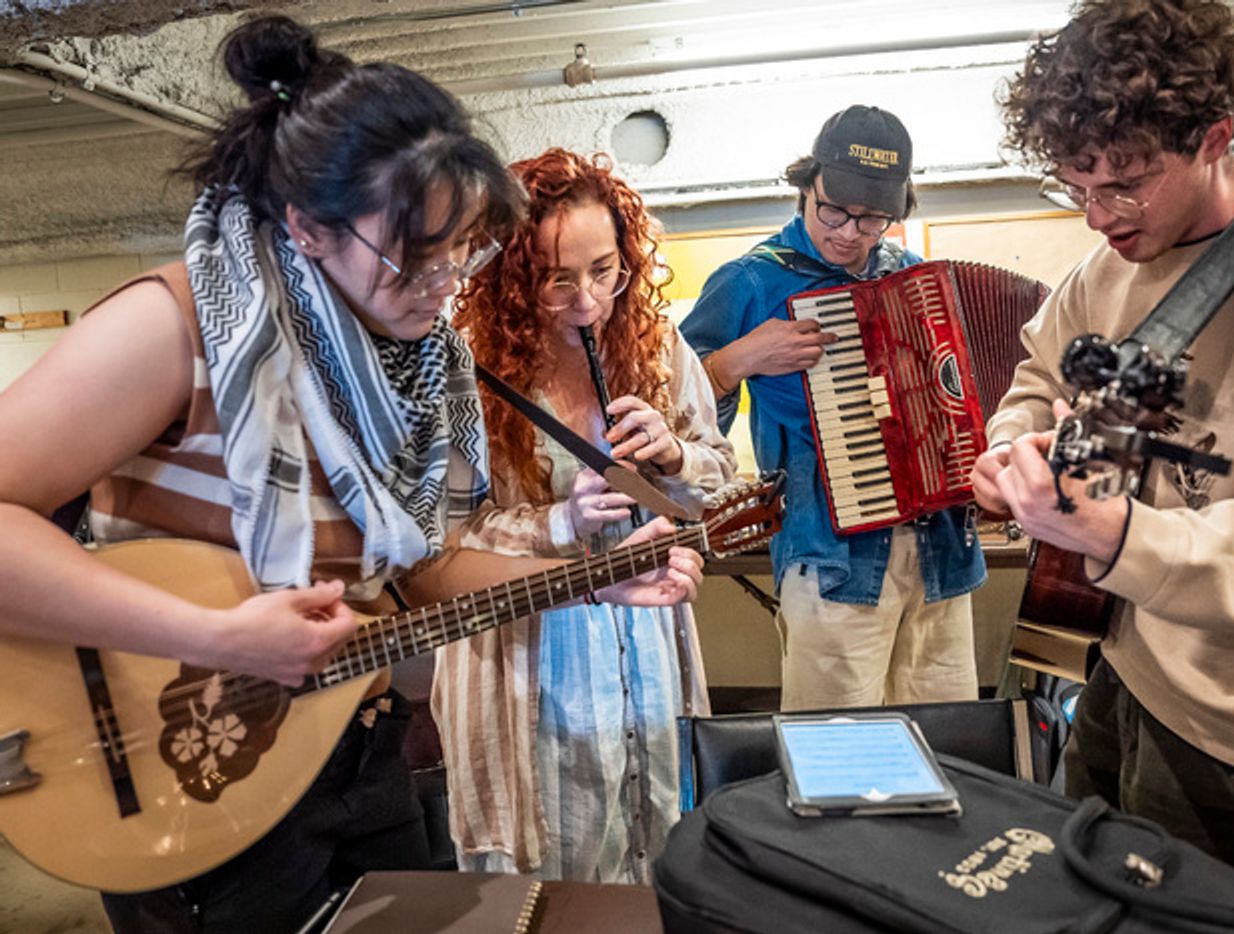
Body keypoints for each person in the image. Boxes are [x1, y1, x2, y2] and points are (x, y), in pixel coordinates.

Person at [0, 18, 701, 932]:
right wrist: (216, 637)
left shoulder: (424, 365)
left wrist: (590, 582)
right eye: (415, 257)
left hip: (355, 751)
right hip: (178, 757)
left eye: (464, 252)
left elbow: (421, 570)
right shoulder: (181, 326)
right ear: (308, 227)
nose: (444, 284)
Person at [977, 0, 1234, 895]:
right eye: (1076, 187)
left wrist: (1118, 535)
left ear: (1215, 137)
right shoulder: (1107, 268)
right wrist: (1012, 451)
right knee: (1084, 898)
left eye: (1125, 184)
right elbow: (1037, 378)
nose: (1098, 218)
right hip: (1115, 656)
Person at [434, 148, 736, 883]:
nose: (589, 303)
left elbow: (719, 479)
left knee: (657, 843)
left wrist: (675, 457)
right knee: (552, 878)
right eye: (557, 281)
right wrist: (559, 523)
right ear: (512, 277)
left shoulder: (658, 347)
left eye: (604, 272)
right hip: (530, 655)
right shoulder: (463, 369)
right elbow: (439, 541)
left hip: (646, 640)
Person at [679, 106, 985, 712]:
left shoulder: (917, 277)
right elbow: (671, 417)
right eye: (834, 210)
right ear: (806, 186)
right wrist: (736, 360)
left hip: (943, 554)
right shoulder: (750, 281)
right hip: (832, 558)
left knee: (948, 740)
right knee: (842, 746)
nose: (849, 232)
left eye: (871, 219)